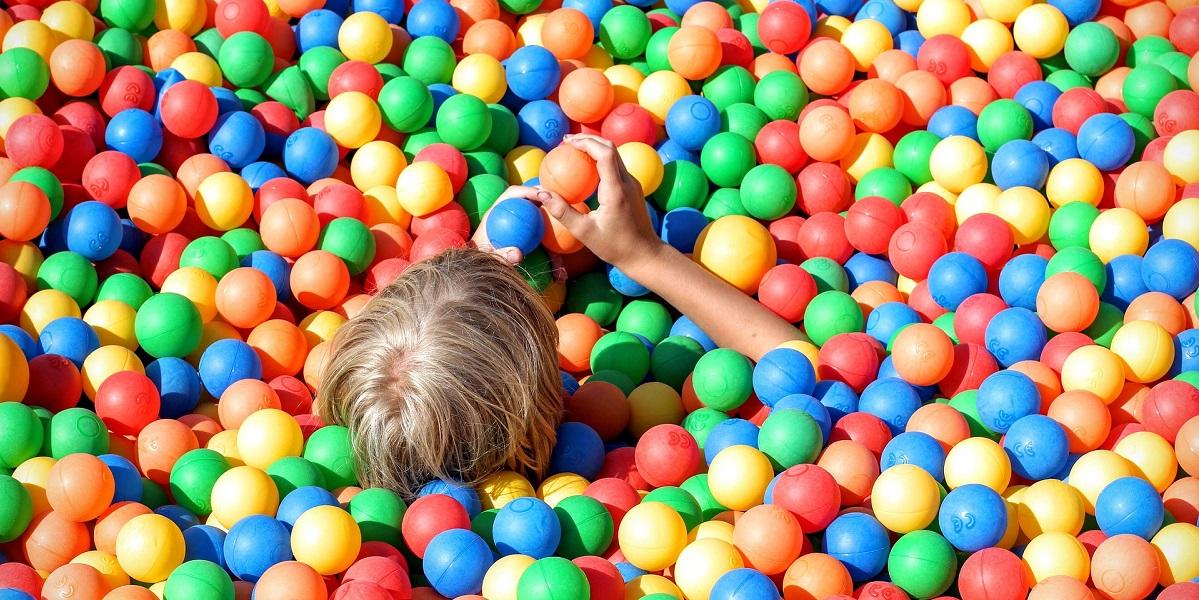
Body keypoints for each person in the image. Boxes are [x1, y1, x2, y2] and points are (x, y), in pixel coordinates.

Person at [315, 134, 801, 497]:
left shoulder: (358, 440)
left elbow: (414, 361)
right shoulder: (591, 495)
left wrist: (474, 268)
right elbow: (793, 369)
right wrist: (644, 255)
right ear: (535, 406)